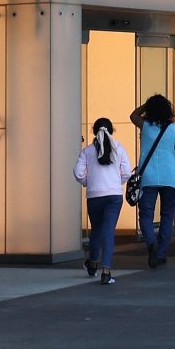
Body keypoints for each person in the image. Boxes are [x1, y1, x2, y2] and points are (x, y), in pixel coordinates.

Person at [129, 94, 175, 268]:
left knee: (145, 214)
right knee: (167, 216)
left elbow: (133, 115)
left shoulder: (145, 126)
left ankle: (151, 243)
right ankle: (160, 254)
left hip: (149, 177)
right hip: (170, 177)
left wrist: (147, 105)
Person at [74, 117, 130, 285]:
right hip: (113, 196)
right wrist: (115, 183)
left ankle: (92, 263)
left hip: (94, 195)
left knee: (96, 230)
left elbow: (78, 173)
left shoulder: (87, 151)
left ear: (93, 131)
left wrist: (88, 182)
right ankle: (106, 270)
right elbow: (126, 172)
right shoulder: (119, 149)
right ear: (111, 131)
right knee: (108, 231)